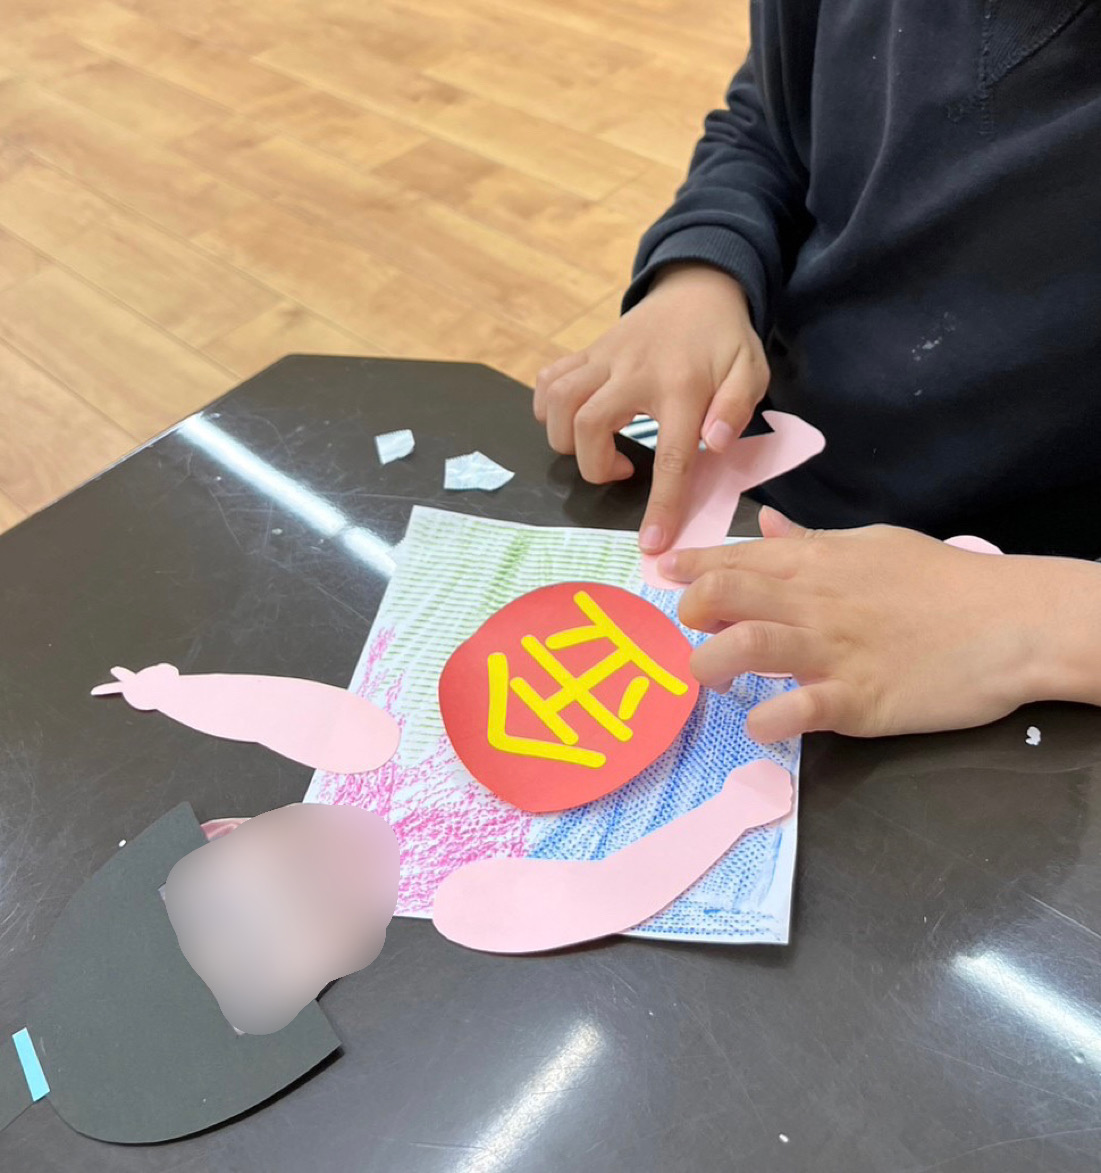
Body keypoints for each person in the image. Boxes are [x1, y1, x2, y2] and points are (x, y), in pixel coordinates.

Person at [533, 0, 1101, 744]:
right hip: (778, 485)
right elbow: (769, 126)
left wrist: (1037, 616)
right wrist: (701, 273)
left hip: (1026, 638)